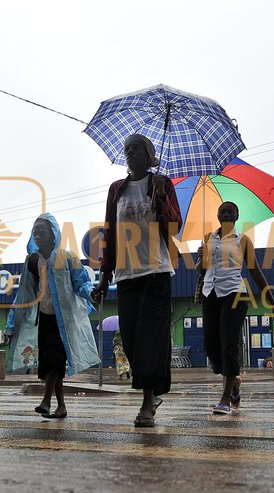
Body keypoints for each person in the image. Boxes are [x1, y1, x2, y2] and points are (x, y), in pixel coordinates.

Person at [91, 133, 182, 428]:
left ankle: (147, 403)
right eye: (127, 148)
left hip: (156, 271)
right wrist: (105, 277)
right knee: (130, 340)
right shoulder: (117, 189)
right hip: (126, 275)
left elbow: (174, 226)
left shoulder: (162, 184)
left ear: (148, 154)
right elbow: (110, 233)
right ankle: (152, 391)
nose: (130, 152)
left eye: (136, 148)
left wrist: (161, 199)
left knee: (149, 340)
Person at [4, 213, 100, 419]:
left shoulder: (68, 258)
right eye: (35, 232)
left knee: (55, 360)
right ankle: (61, 406)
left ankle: (46, 401)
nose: (37, 235)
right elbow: (23, 295)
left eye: (42, 231)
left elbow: (81, 283)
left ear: (53, 233)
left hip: (63, 321)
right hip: (44, 318)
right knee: (49, 363)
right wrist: (11, 324)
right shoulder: (31, 262)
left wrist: (92, 293)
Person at [198, 201, 274, 414]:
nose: (226, 215)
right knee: (210, 345)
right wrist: (201, 258)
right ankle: (234, 381)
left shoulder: (242, 240)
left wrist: (273, 302)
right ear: (217, 215)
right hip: (210, 293)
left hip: (235, 294)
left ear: (236, 216)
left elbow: (255, 271)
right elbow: (201, 270)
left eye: (230, 212)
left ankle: (226, 398)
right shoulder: (208, 238)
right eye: (222, 212)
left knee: (229, 343)